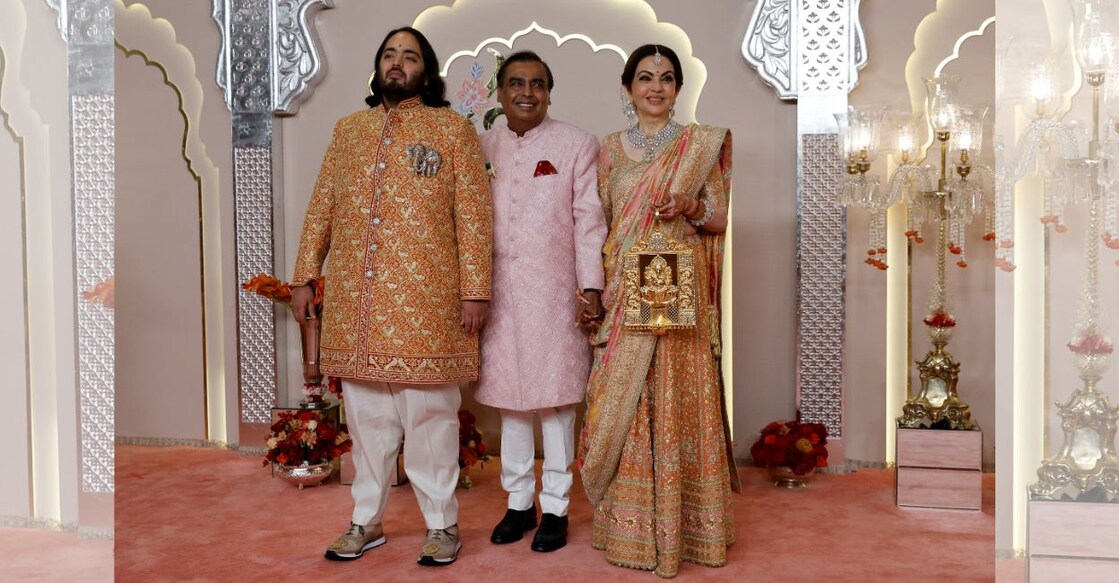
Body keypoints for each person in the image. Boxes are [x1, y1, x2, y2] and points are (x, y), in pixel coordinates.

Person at [290, 26, 493, 567]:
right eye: (389, 55)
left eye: (409, 56)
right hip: (359, 304)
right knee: (367, 422)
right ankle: (366, 521)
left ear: (426, 71)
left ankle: (442, 526)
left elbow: (474, 218)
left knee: (429, 420)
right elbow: (322, 207)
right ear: (377, 67)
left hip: (429, 303)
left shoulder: (452, 131)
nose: (398, 64)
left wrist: (476, 290)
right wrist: (304, 276)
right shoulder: (349, 131)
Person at [577, 44, 739, 578]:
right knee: (624, 395)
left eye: (667, 78)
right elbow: (594, 223)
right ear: (627, 88)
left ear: (678, 88)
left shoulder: (699, 145)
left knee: (675, 394)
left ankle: (687, 525)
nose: (656, 87)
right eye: (644, 78)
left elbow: (717, 220)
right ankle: (630, 524)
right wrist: (594, 290)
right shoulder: (606, 150)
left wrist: (692, 206)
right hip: (627, 286)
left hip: (675, 280)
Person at [474, 50, 607, 554]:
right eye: (515, 83)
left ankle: (555, 508)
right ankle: (517, 504)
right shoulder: (481, 146)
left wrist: (590, 287)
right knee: (511, 406)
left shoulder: (575, 144)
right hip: (499, 296)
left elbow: (588, 219)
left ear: (549, 92)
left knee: (555, 405)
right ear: (500, 92)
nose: (526, 92)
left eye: (537, 84)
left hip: (557, 292)